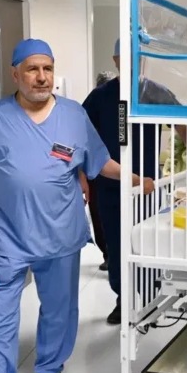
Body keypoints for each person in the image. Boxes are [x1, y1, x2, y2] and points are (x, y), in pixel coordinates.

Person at [0, 39, 155, 373]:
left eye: (47, 68)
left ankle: (49, 366)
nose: (42, 77)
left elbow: (100, 162)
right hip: (5, 236)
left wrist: (136, 179)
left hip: (59, 232)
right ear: (15, 74)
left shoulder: (73, 115)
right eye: (32, 69)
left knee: (59, 309)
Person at [83, 39, 187, 325]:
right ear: (115, 60)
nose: (132, 61)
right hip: (111, 187)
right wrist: (81, 177)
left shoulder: (155, 92)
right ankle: (123, 299)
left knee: (147, 240)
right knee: (117, 244)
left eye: (137, 56)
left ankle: (151, 296)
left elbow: (181, 125)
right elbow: (81, 135)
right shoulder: (100, 97)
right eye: (125, 56)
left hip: (146, 186)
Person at [81, 70, 118, 271]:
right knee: (100, 216)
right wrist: (82, 176)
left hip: (117, 169)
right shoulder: (95, 102)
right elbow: (81, 140)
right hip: (97, 171)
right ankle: (108, 255)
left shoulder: (121, 106)